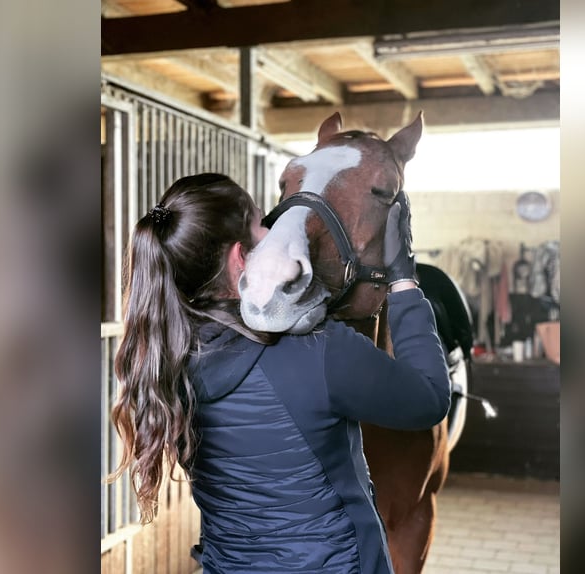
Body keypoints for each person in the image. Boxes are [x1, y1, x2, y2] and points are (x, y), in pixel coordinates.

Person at [109, 173, 450, 574]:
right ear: (241, 258)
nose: (272, 230)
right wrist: (404, 280)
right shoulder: (316, 350)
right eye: (261, 222)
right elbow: (429, 398)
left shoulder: (165, 354)